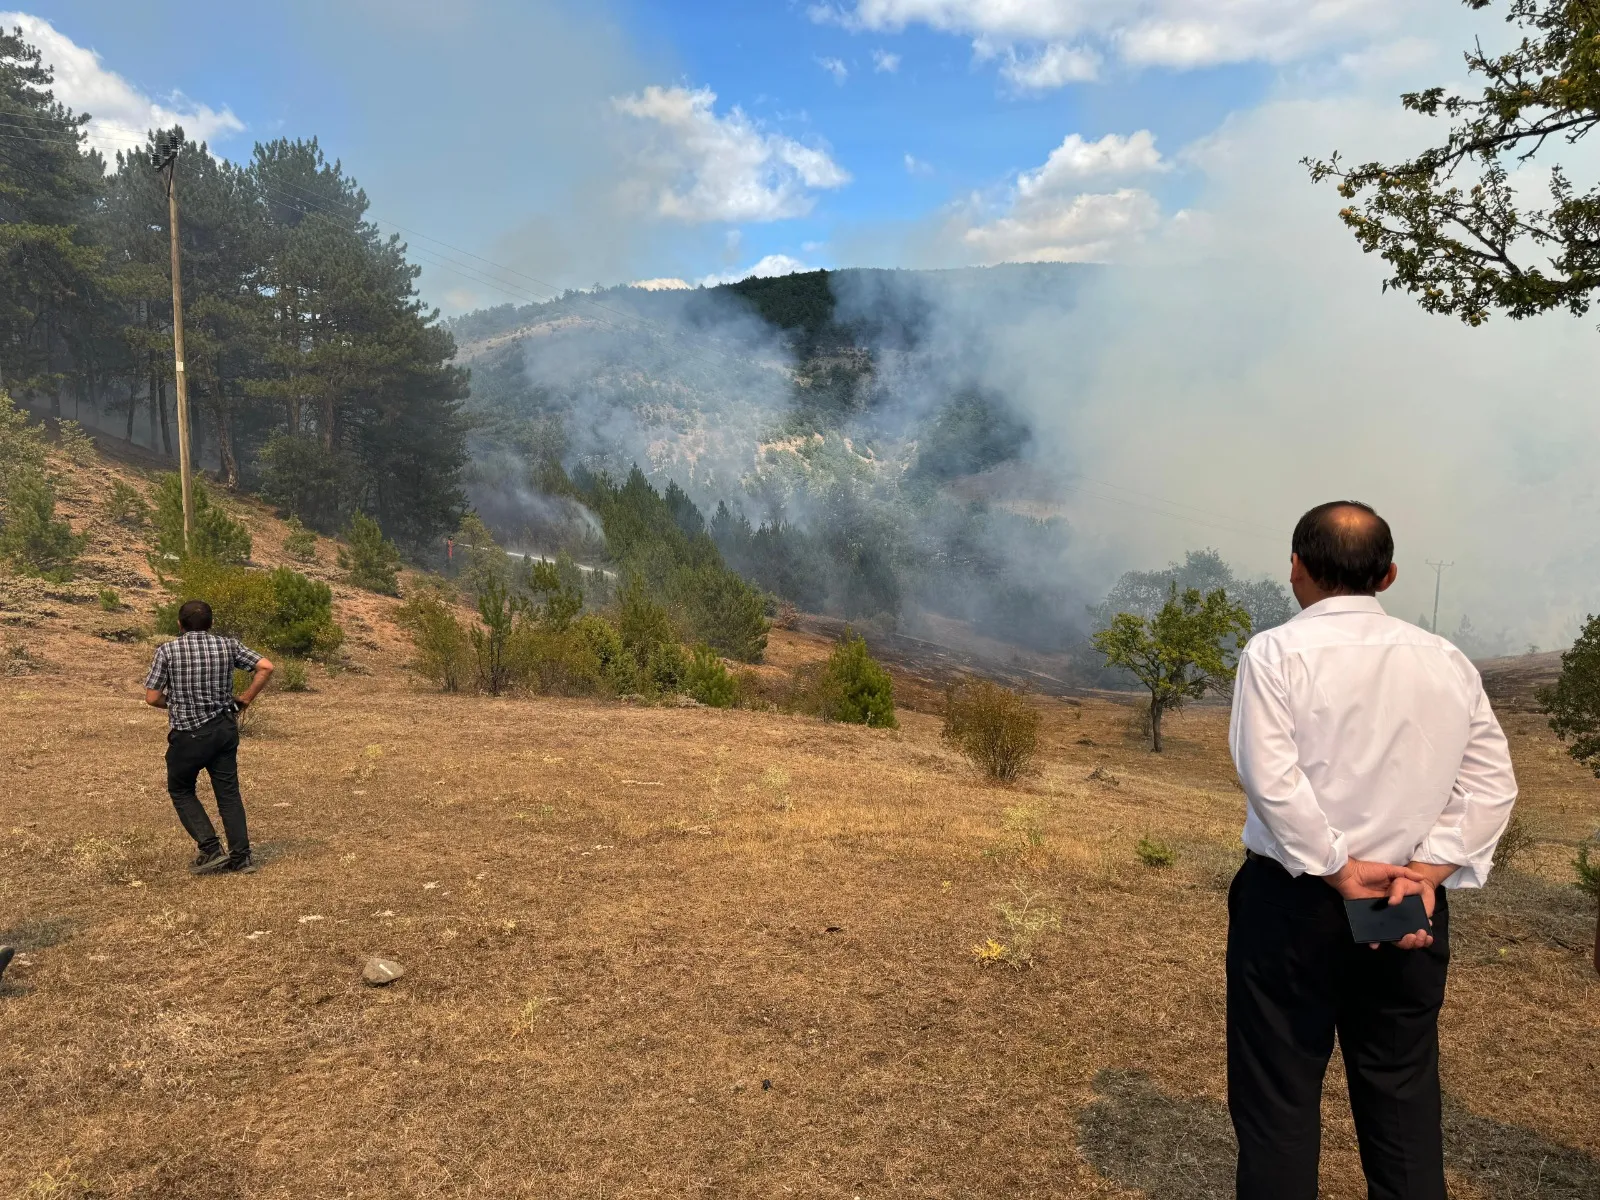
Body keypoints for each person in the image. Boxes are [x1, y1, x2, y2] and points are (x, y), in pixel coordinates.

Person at [1227, 501, 1517, 1200]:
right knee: (1401, 1094)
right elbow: (1492, 783)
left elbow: (1271, 778)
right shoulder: (1446, 661)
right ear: (1387, 576)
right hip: (1407, 901)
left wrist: (1337, 867)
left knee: (1279, 1098)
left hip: (1296, 900)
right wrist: (1428, 870)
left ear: (1295, 567)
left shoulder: (1274, 653)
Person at [144, 600, 274, 875]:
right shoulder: (228, 646)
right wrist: (245, 700)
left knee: (181, 789)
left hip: (188, 733)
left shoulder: (167, 651)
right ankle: (242, 857)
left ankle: (211, 848)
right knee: (228, 794)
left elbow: (152, 697)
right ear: (211, 623)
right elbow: (266, 667)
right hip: (224, 729)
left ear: (179, 624)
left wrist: (177, 703)